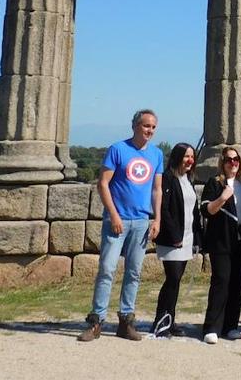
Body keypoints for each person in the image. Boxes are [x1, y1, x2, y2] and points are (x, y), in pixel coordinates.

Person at [78, 109, 163, 342]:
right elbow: (103, 184)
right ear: (135, 126)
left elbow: (157, 189)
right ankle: (97, 320)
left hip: (142, 221)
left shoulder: (156, 154)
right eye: (146, 126)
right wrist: (114, 215)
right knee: (107, 269)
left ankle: (126, 320)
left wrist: (157, 219)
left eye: (153, 127)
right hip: (118, 220)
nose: (150, 131)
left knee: (134, 272)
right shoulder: (118, 149)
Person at [153, 142, 202, 336]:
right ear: (177, 157)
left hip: (187, 238)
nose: (190, 160)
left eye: (192, 157)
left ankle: (169, 319)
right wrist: (174, 236)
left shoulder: (187, 179)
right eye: (186, 156)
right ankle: (161, 321)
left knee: (176, 281)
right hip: (173, 239)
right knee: (172, 280)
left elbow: (194, 211)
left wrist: (198, 237)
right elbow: (164, 209)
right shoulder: (167, 178)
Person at [200, 146, 241, 344]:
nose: (233, 163)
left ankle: (230, 325)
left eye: (236, 159)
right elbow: (206, 210)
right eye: (229, 160)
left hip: (240, 241)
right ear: (222, 163)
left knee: (237, 283)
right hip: (220, 241)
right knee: (221, 281)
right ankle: (212, 326)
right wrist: (223, 197)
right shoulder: (215, 183)